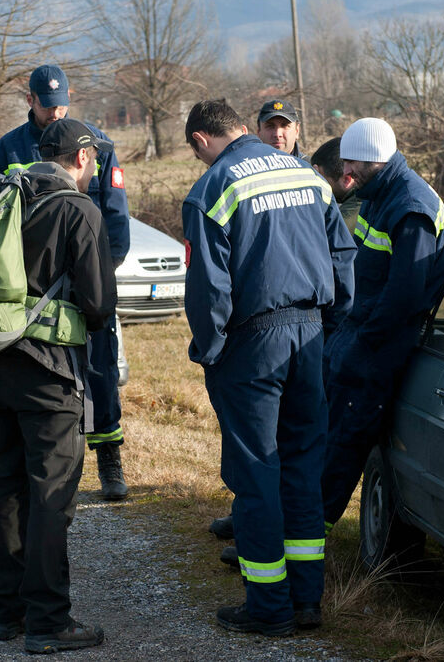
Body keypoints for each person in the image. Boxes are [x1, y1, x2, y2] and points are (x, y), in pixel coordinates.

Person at [182, 100, 355, 635]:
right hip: (311, 334)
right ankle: (306, 601)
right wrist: (330, 326)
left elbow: (208, 285)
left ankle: (268, 607)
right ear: (242, 127)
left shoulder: (213, 187)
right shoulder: (308, 176)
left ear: (200, 140)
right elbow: (343, 255)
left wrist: (209, 348)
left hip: (253, 342)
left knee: (256, 472)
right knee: (302, 468)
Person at [0, 118, 115, 653]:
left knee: (8, 488)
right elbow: (99, 306)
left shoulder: (6, 197)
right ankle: (48, 621)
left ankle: (5, 614)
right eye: (95, 159)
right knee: (51, 496)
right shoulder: (79, 210)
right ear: (81, 158)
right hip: (53, 371)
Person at [0, 64, 131, 501]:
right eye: (47, 105)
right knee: (44, 374)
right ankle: (44, 460)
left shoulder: (97, 144)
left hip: (87, 277)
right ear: (30, 100)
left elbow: (116, 215)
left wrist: (102, 271)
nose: (56, 112)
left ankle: (109, 457)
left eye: (61, 104)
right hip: (35, 286)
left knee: (101, 368)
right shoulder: (7, 149)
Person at [320, 118, 444, 534]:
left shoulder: (411, 207)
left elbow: (404, 299)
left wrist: (360, 343)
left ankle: (306, 536)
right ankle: (296, 524)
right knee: (324, 434)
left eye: (353, 164)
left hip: (377, 347)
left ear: (376, 160)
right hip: (356, 334)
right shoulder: (378, 193)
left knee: (342, 443)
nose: (346, 172)